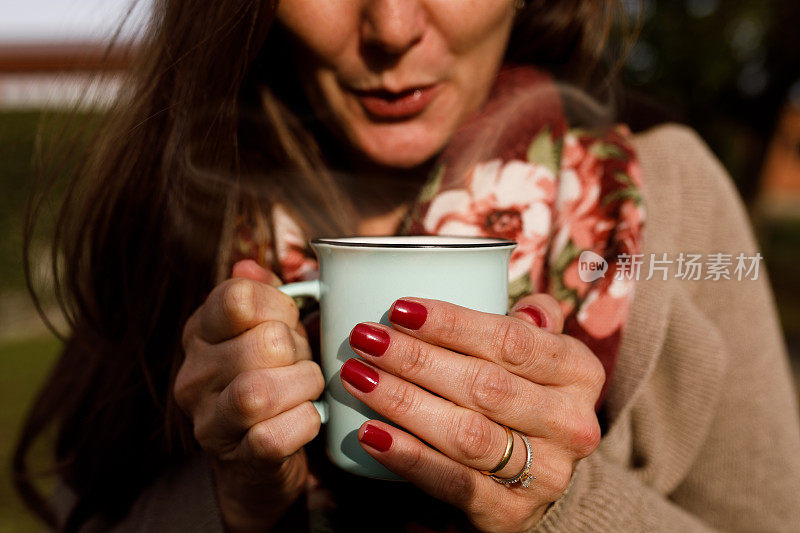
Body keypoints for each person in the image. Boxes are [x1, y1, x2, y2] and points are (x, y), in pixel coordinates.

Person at [13, 1, 800, 532]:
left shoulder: (668, 191)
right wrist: (238, 500)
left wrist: (561, 503)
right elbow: (80, 506)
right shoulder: (182, 198)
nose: (391, 26)